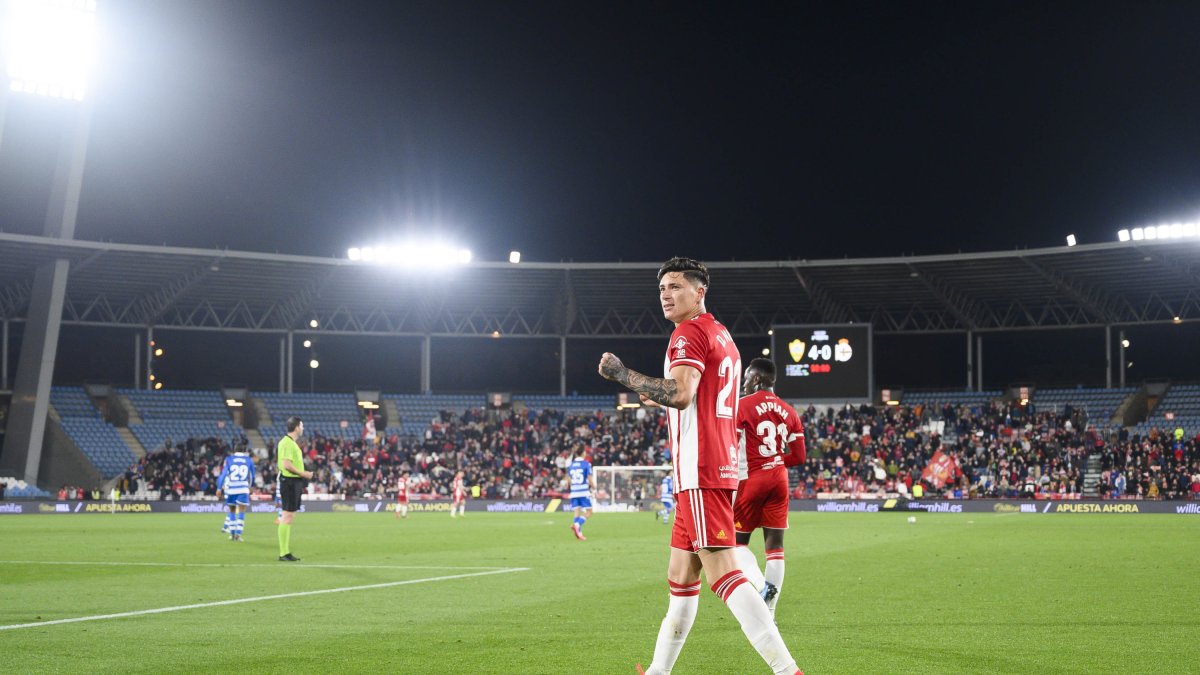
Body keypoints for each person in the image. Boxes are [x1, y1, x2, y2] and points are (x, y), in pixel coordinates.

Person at [599, 256, 801, 675]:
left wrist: (622, 374)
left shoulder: (688, 333)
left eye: (675, 286)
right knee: (680, 577)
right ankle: (658, 671)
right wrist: (659, 396)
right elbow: (698, 397)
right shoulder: (721, 334)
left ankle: (788, 671)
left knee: (723, 574)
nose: (666, 296)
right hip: (711, 466)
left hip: (700, 468)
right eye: (661, 289)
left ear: (700, 291)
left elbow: (683, 393)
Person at [733, 358, 806, 618]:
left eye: (746, 379)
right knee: (775, 547)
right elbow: (798, 457)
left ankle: (763, 586)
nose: (743, 384)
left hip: (751, 478)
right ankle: (770, 612)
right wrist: (775, 460)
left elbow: (730, 442)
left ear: (757, 379)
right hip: (779, 479)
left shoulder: (741, 406)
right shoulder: (789, 411)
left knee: (736, 544)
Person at [276, 416, 314, 562]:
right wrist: (304, 473)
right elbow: (286, 464)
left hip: (293, 482)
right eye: (302, 425)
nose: (303, 428)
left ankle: (285, 552)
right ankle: (283, 553)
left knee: (289, 516)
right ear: (297, 427)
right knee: (287, 516)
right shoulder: (286, 443)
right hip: (289, 482)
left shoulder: (290, 443)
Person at [216, 448, 256, 542]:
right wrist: (251, 486)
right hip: (243, 488)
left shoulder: (229, 459)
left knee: (232, 511)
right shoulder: (248, 459)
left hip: (231, 489)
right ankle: (238, 534)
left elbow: (224, 474)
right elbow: (252, 475)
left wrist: (219, 488)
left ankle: (232, 535)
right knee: (242, 511)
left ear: (234, 450)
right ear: (244, 450)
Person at [568, 449, 595, 540]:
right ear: (583, 453)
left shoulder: (571, 465)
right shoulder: (586, 464)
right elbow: (589, 477)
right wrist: (594, 486)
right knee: (589, 511)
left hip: (574, 491)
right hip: (583, 491)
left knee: (576, 512)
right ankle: (577, 524)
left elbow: (569, 479)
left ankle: (579, 534)